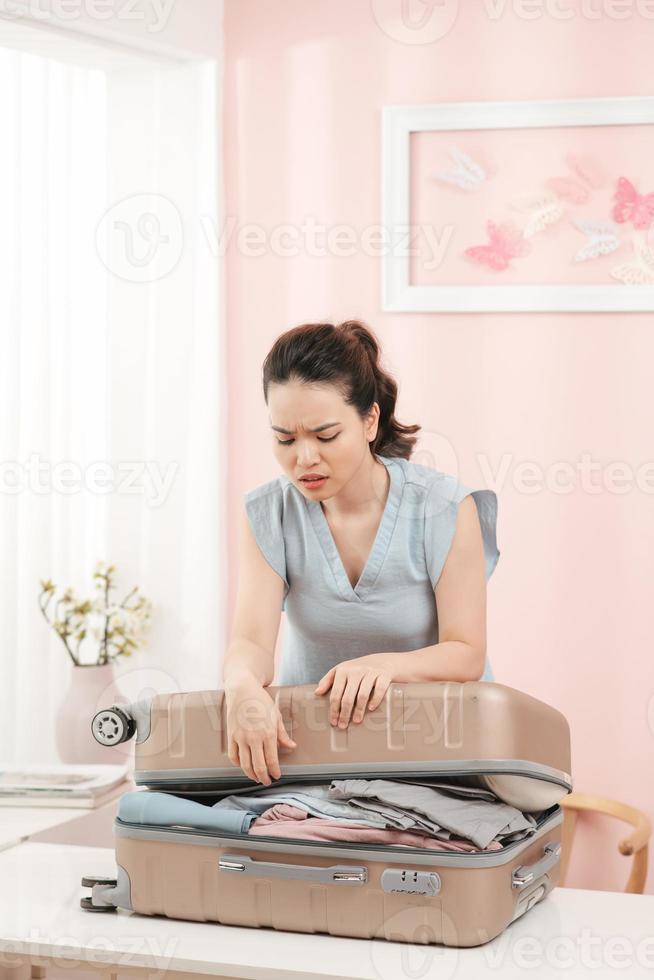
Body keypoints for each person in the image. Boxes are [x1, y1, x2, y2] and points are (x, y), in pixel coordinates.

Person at [222, 319, 500, 786]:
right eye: (284, 439)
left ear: (369, 421)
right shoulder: (269, 513)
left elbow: (466, 653)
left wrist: (385, 665)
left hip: (443, 752)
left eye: (325, 436)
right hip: (314, 754)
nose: (304, 458)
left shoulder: (444, 507)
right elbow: (251, 643)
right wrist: (242, 687)